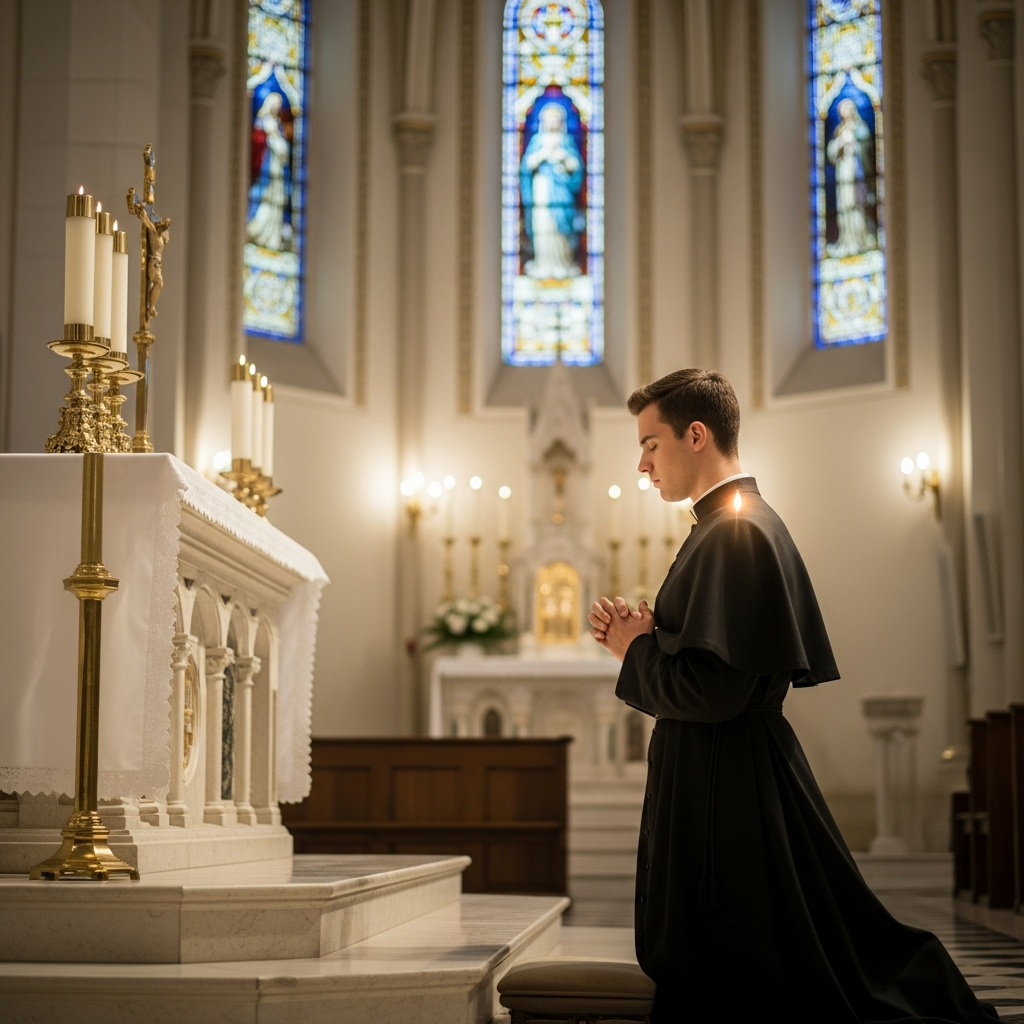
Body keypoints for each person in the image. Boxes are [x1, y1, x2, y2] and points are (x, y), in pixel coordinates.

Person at [588, 369, 997, 1024]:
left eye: (651, 445)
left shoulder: (735, 534)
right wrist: (650, 639)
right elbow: (715, 665)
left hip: (728, 786)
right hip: (730, 770)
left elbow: (716, 690)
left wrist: (634, 648)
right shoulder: (724, 528)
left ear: (696, 435)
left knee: (770, 961)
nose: (642, 466)